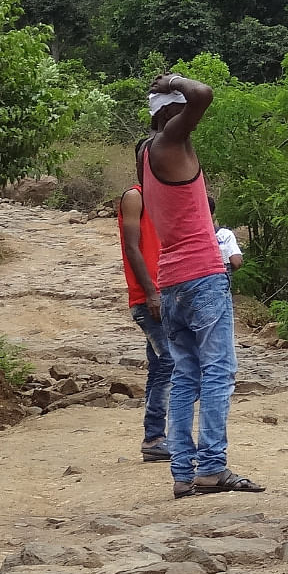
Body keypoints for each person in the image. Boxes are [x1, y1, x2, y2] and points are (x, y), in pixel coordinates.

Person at [142, 71, 265, 497]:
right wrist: (172, 80)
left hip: (172, 278)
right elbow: (204, 95)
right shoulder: (169, 143)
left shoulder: (145, 151)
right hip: (201, 275)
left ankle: (182, 471)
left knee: (185, 376)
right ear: (172, 113)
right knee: (218, 373)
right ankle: (212, 466)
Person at [118, 150, 172, 464]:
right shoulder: (134, 198)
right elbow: (132, 246)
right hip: (149, 297)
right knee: (170, 363)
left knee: (160, 366)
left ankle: (155, 436)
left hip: (168, 293)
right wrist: (151, 293)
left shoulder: (164, 197)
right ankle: (155, 437)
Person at [209, 196, 244, 276]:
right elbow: (236, 262)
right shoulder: (224, 234)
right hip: (218, 281)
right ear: (213, 216)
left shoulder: (186, 235)